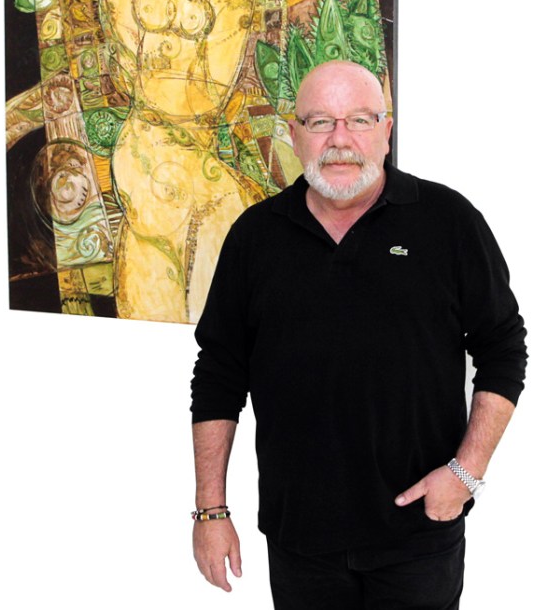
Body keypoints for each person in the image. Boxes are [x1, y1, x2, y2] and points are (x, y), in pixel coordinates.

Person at [190, 60, 527, 609]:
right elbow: (218, 377)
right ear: (295, 134)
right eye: (321, 121)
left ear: (386, 131)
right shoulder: (254, 237)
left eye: (360, 120)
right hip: (299, 542)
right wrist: (211, 511)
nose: (340, 140)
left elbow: (504, 349)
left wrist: (467, 473)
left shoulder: (448, 221)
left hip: (419, 535)